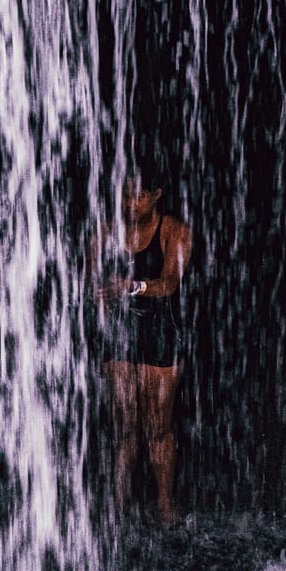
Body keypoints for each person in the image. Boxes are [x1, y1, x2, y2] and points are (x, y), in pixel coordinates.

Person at [95, 162, 192, 522]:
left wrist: (133, 286)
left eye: (139, 196)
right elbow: (86, 278)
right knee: (124, 426)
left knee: (157, 427)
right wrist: (97, 294)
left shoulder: (174, 231)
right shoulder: (106, 231)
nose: (131, 204)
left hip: (161, 331)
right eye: (125, 196)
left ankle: (165, 506)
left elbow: (169, 283)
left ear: (156, 196)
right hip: (120, 332)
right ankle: (117, 508)